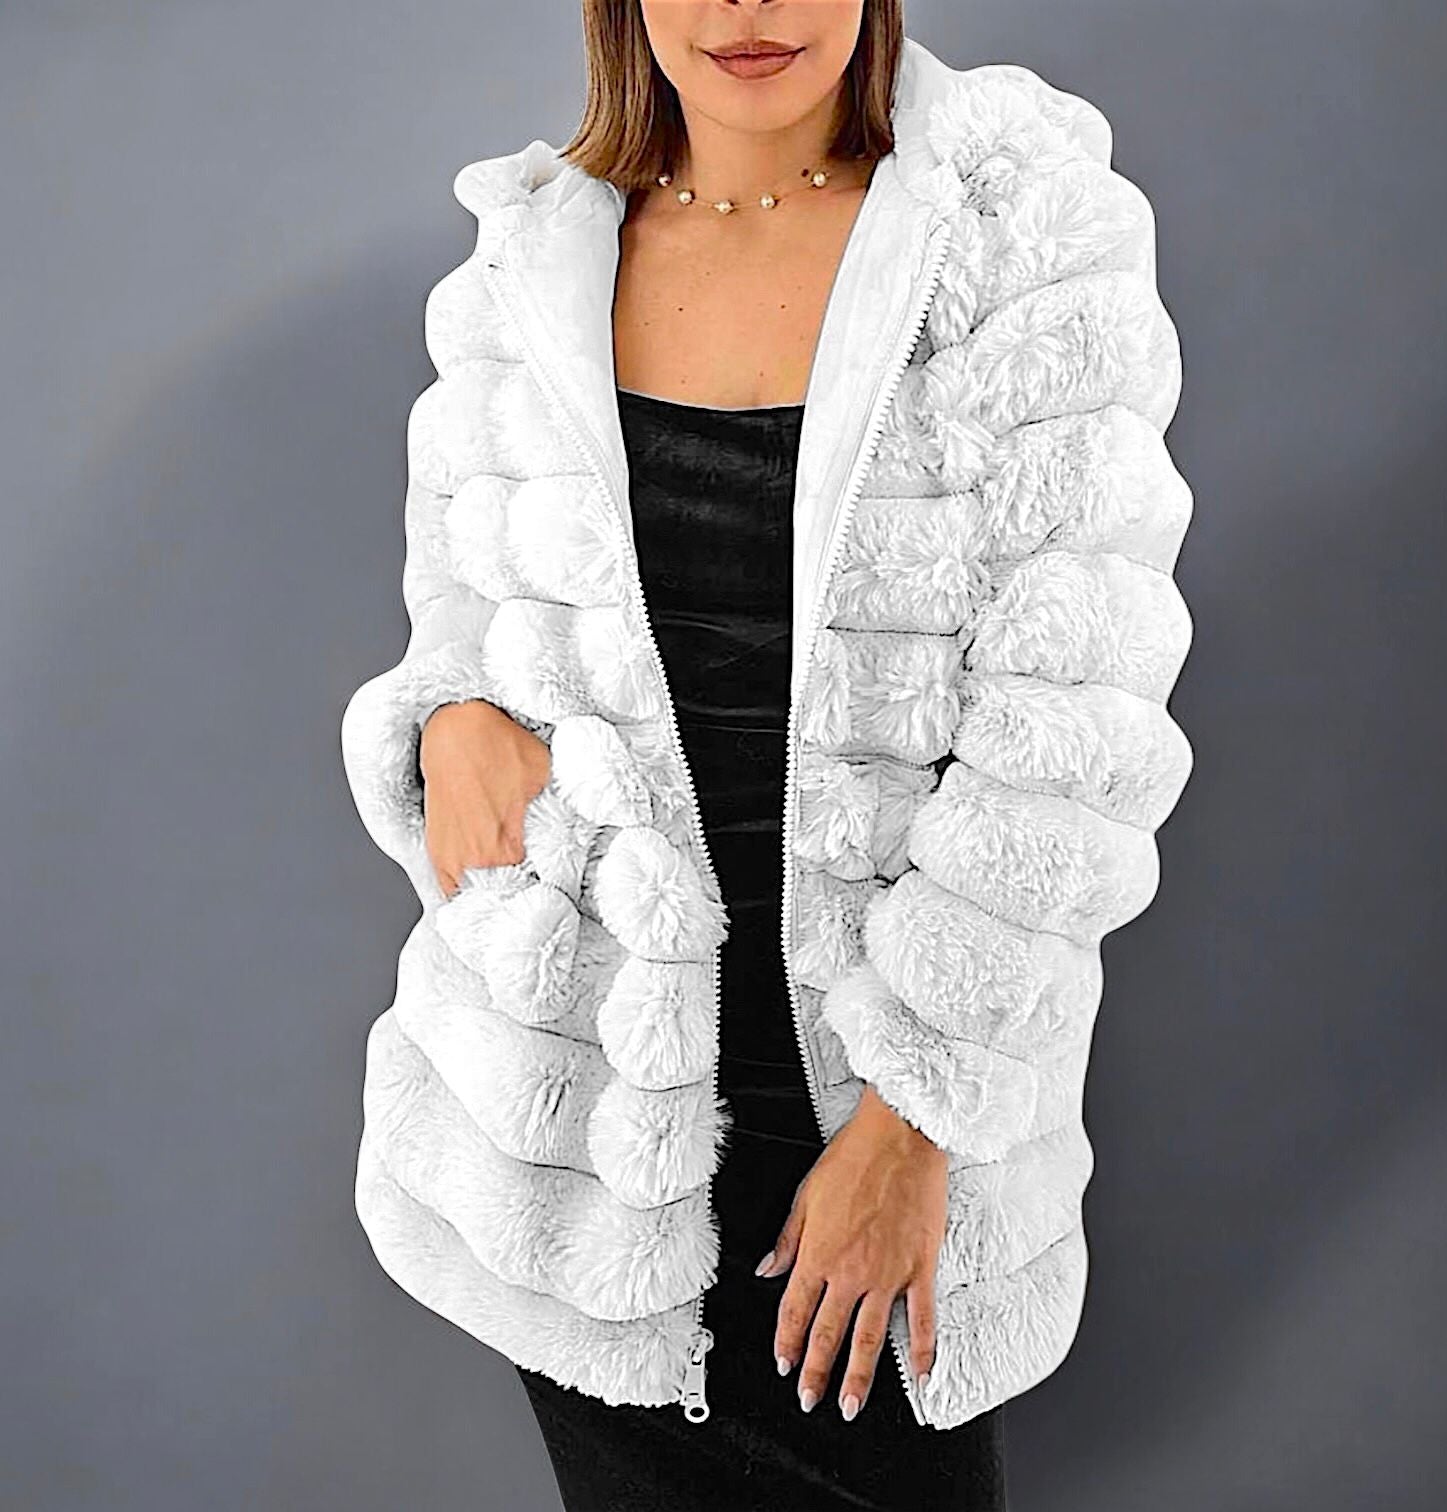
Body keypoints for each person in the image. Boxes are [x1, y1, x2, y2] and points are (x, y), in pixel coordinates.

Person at [341, 3, 1194, 1508]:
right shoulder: (522, 271)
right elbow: (462, 608)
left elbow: (1079, 720)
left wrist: (913, 1117)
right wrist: (448, 719)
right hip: (598, 1131)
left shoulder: (1020, 232)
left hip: (881, 1085)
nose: (749, 8)